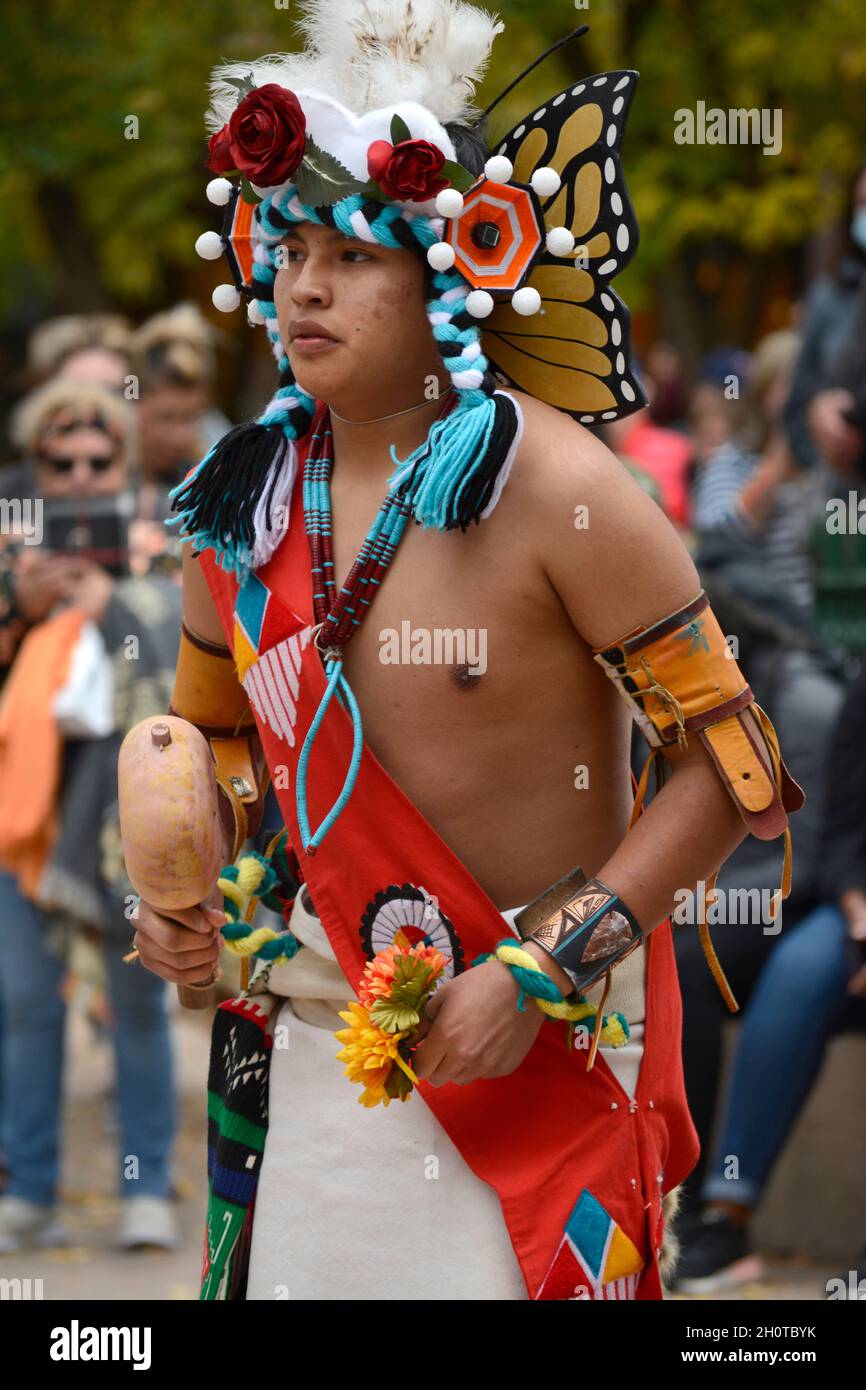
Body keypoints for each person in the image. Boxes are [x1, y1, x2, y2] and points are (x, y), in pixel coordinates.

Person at [127, 0, 803, 1302]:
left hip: (537, 1069)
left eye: (347, 253)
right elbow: (221, 749)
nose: (302, 285)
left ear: (447, 270)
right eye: (284, 249)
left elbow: (730, 764)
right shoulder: (238, 507)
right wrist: (188, 896)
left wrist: (547, 964)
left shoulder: (563, 488)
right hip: (305, 1068)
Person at [0, 379, 180, 1253]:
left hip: (124, 824)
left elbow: (191, 647)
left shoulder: (164, 531)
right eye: (55, 461)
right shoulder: (8, 534)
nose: (75, 477)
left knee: (137, 1005)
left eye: (97, 461)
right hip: (16, 819)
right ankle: (27, 1187)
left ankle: (145, 1185)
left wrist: (113, 609)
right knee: (26, 1005)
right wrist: (18, 608)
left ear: (126, 462)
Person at [673, 658, 866, 1294]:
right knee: (798, 974)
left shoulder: (806, 697)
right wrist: (859, 911)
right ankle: (723, 1214)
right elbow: (842, 839)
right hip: (853, 908)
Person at [130, 303, 231, 520]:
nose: (181, 437)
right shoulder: (97, 465)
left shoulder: (215, 465)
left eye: (193, 417)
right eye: (166, 418)